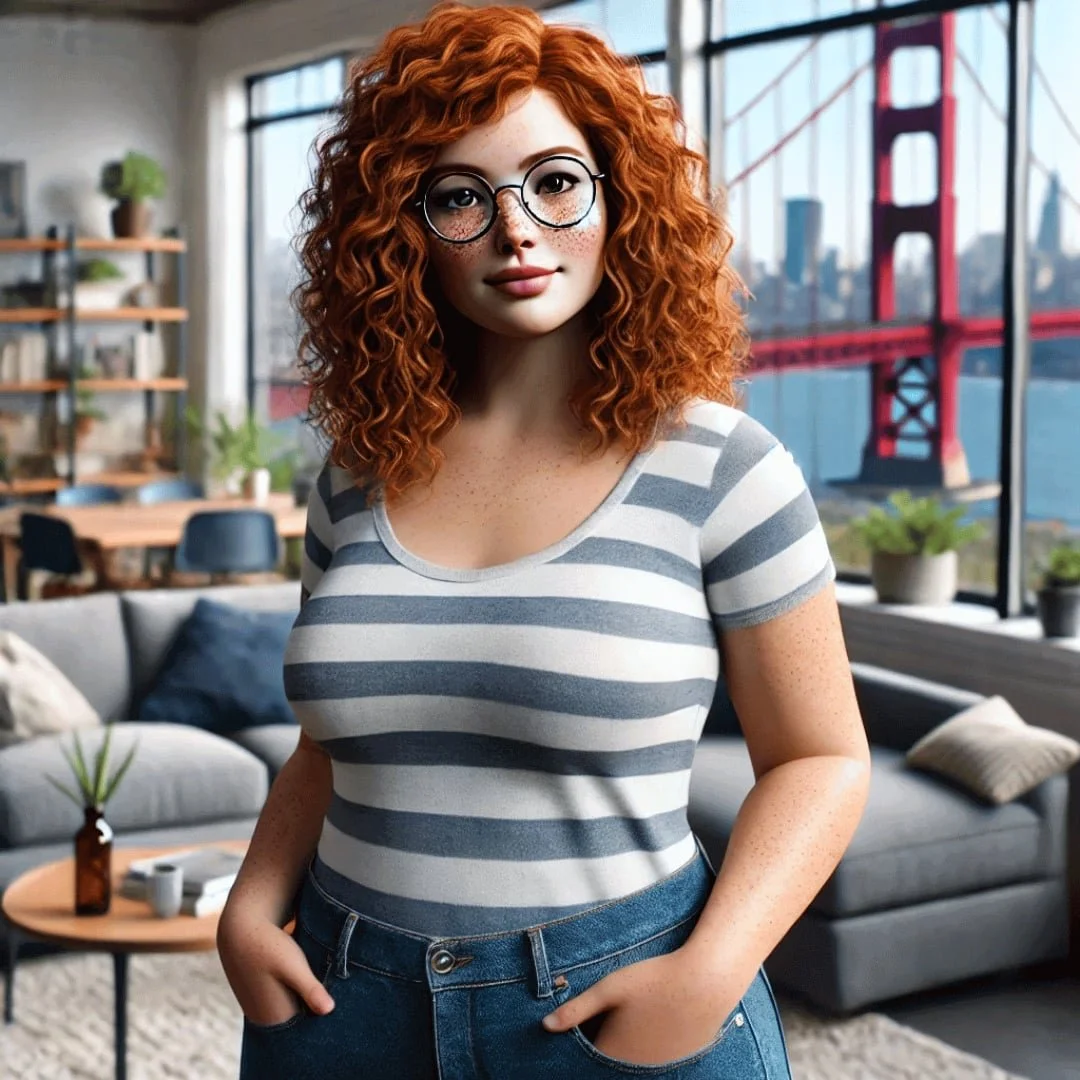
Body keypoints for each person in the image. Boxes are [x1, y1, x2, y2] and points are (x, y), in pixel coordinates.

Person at [217, 3, 872, 1077]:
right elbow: (333, 743)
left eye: (556, 182)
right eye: (459, 197)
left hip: (618, 1004)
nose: (515, 228)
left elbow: (821, 759)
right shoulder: (355, 476)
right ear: (402, 232)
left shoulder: (725, 468)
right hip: (341, 1001)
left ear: (622, 201)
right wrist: (250, 906)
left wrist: (711, 971)